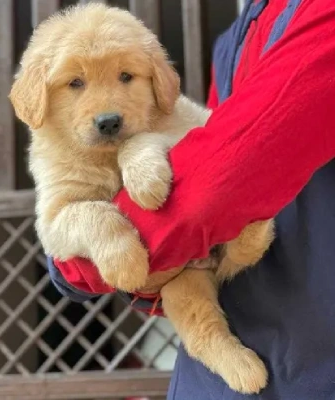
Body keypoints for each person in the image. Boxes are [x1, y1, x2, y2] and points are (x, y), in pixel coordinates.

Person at [48, 0, 335, 398]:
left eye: (126, 76)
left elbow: (218, 183)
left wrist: (72, 269)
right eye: (76, 84)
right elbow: (206, 150)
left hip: (310, 359)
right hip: (215, 368)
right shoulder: (237, 34)